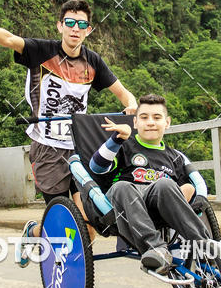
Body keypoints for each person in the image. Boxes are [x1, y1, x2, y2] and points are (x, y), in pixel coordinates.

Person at [0, 0, 137, 261]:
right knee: (60, 224)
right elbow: (7, 39)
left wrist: (131, 106)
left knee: (90, 223)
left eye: (81, 24)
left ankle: (74, 273)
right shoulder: (42, 51)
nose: (75, 28)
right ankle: (34, 233)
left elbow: (124, 94)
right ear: (60, 26)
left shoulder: (93, 62)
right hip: (47, 147)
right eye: (69, 22)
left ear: (88, 30)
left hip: (80, 147)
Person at [89, 93, 213, 274]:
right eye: (144, 117)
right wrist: (117, 140)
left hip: (159, 206)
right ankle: (156, 249)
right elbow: (96, 167)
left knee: (167, 184)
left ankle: (205, 244)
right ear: (135, 122)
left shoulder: (175, 157)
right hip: (124, 204)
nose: (150, 122)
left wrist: (190, 191)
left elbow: (189, 186)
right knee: (122, 187)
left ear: (167, 122)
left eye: (157, 117)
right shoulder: (124, 146)